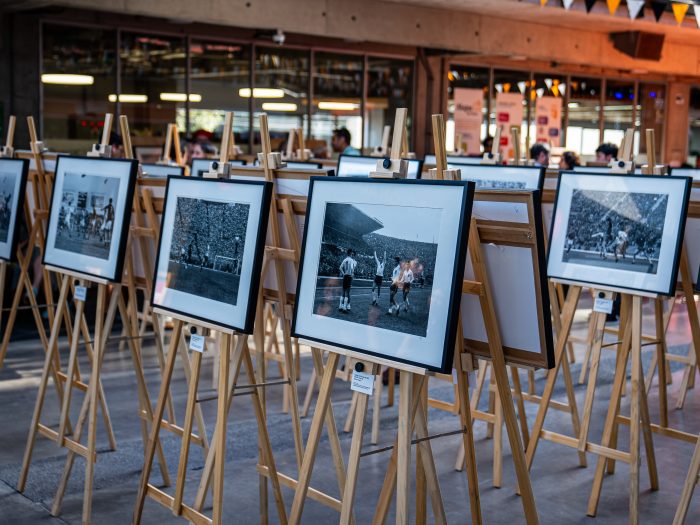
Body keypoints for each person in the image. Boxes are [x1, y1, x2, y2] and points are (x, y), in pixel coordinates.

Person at [338, 248, 356, 312]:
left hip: (345, 276)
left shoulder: (345, 259)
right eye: (352, 253)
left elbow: (340, 267)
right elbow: (352, 269)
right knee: (347, 292)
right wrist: (352, 274)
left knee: (343, 291)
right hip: (349, 276)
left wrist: (343, 274)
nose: (352, 254)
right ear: (350, 253)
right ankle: (345, 307)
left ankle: (340, 306)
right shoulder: (351, 260)